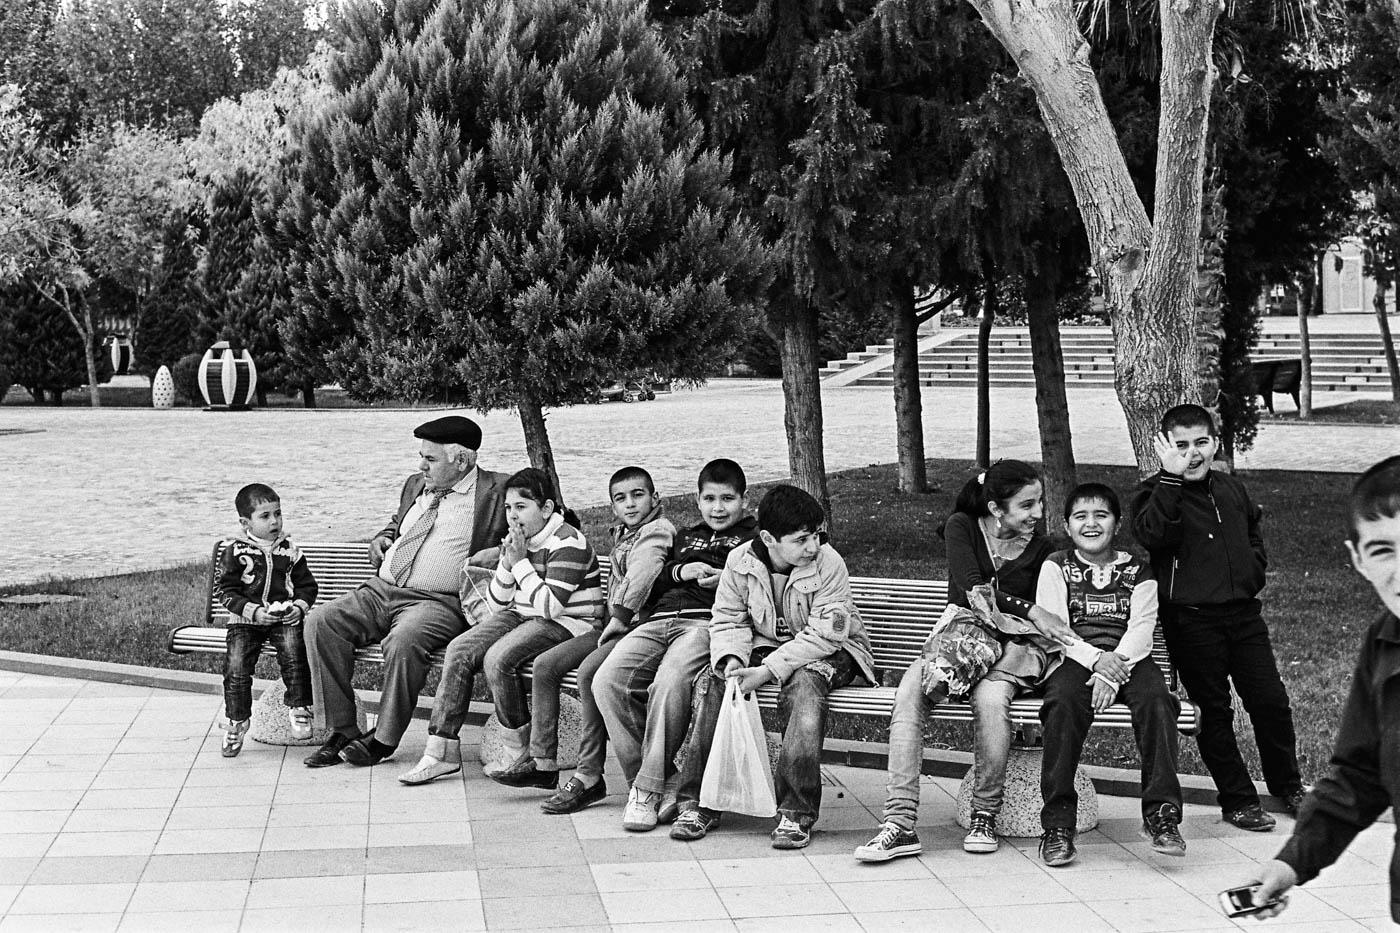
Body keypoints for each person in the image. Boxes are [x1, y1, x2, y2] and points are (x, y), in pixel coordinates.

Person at [856, 459, 1074, 862]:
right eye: (1027, 505)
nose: (1038, 514)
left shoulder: (1043, 548)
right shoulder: (962, 527)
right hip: (959, 642)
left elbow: (1030, 614)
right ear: (995, 508)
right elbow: (973, 590)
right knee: (909, 697)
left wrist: (1029, 615)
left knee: (991, 702)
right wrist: (1031, 609)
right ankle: (899, 824)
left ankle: (985, 815)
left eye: (1039, 502)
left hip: (1011, 648)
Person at [668, 483, 876, 850]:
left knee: (805, 688)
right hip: (769, 648)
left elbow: (824, 636)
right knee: (721, 680)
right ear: (768, 538)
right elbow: (728, 619)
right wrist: (732, 659)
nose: (813, 546)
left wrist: (766, 672)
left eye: (816, 535)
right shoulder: (740, 562)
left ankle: (796, 812)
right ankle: (698, 801)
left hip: (833, 652)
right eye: (801, 539)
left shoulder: (829, 564)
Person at [1130, 404, 1305, 831]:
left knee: (1270, 702)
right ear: (1164, 448)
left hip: (1244, 616)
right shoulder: (1153, 493)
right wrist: (1170, 478)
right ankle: (1238, 798)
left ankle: (1288, 785)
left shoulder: (1231, 488)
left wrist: (1253, 568)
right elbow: (1154, 535)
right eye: (1181, 445)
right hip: (1190, 621)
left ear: (1215, 443)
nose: (1193, 454)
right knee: (1213, 711)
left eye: (1201, 443)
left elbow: (1252, 534)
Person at [302, 416, 509, 768]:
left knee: (403, 641)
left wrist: (501, 551)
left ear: (461, 460)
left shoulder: (498, 490)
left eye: (430, 459)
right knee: (321, 622)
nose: (421, 466)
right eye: (421, 456)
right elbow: (400, 523)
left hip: (438, 602)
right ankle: (343, 729)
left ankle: (383, 738)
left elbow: (546, 522)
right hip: (381, 590)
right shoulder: (416, 484)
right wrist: (383, 536)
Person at [1247, 456, 1400, 922]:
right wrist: (1292, 862)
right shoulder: (1384, 640)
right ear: (1357, 560)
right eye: (1383, 551)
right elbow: (1360, 773)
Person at [397, 467, 604, 785]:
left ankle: (518, 751)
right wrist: (508, 561)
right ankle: (441, 752)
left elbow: (550, 607)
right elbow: (497, 603)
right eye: (508, 508)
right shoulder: (523, 540)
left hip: (567, 623)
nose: (513, 515)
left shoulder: (568, 542)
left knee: (498, 658)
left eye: (521, 507)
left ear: (546, 508)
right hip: (523, 614)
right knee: (460, 648)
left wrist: (518, 561)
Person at [489, 466, 674, 814]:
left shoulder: (655, 533)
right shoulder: (629, 533)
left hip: (626, 628)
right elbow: (496, 603)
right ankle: (550, 764)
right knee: (551, 667)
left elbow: (642, 576)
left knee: (588, 674)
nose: (630, 504)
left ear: (655, 498)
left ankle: (601, 776)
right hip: (612, 628)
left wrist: (617, 619)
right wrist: (509, 561)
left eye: (638, 495)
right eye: (620, 499)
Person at [594, 458, 758, 831]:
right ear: (698, 500)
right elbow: (659, 577)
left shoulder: (754, 539)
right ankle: (663, 779)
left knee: (668, 683)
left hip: (705, 623)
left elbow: (762, 586)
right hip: (659, 620)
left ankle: (646, 791)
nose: (718, 508)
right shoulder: (686, 536)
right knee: (606, 681)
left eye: (727, 499)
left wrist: (726, 579)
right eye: (709, 499)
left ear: (744, 501)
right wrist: (682, 571)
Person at [1033, 482, 1185, 867]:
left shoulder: (1138, 570)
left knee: (1158, 702)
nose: (1091, 524)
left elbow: (1142, 629)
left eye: (1101, 515)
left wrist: (1112, 671)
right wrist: (1096, 663)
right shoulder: (1056, 565)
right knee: (1062, 704)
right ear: (1067, 526)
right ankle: (1058, 825)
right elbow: (1057, 629)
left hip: (1130, 660)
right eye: (1080, 516)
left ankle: (1161, 816)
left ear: (1117, 523)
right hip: (1075, 658)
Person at [213, 483, 319, 758]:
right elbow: (224, 590)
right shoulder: (235, 551)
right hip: (245, 621)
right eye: (265, 516)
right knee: (236, 667)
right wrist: (251, 610)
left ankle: (299, 707)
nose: (274, 521)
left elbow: (307, 586)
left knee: (295, 653)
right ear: (245, 522)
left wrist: (299, 606)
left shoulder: (290, 551)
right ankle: (237, 721)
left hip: (281, 617)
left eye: (278, 513)